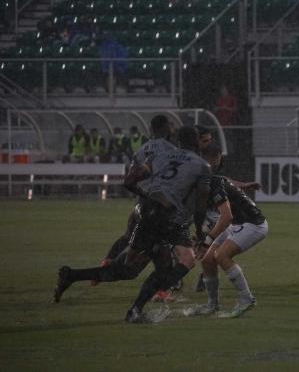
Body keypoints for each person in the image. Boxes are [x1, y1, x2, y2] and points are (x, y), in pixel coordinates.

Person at [53, 126, 211, 324]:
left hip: (148, 211)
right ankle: (135, 309)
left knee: (135, 268)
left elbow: (129, 181)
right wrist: (199, 232)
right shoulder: (201, 166)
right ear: (196, 143)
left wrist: (147, 198)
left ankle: (73, 275)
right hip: (165, 218)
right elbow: (201, 206)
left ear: (177, 142)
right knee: (173, 263)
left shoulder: (159, 157)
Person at [93, 115, 177, 288]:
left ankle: (104, 265)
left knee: (128, 237)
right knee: (163, 243)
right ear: (166, 128)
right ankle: (163, 287)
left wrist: (142, 194)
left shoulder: (142, 149)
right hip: (160, 204)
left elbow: (131, 176)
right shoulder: (171, 149)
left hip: (142, 203)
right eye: (171, 126)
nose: (173, 129)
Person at [185, 144, 267, 318]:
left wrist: (207, 241)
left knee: (221, 256)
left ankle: (247, 299)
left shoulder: (211, 182)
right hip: (237, 224)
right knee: (207, 261)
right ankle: (212, 305)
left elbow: (226, 216)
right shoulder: (211, 179)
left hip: (253, 224)